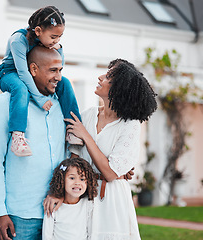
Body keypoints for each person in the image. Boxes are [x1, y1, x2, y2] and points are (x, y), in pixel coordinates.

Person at [49, 59, 157, 239]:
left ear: (119, 89)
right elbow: (73, 158)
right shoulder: (88, 115)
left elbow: (110, 173)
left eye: (107, 77)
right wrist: (60, 192)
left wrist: (86, 135)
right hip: (82, 194)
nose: (100, 77)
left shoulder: (129, 125)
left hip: (111, 200)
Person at [0, 46, 67, 240]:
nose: (58, 77)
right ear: (33, 69)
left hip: (59, 211)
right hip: (19, 216)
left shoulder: (61, 104)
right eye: (53, 70)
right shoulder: (6, 103)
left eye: (60, 70)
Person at [0, 6, 82, 157]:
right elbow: (23, 72)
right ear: (38, 31)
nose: (55, 40)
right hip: (10, 73)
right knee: (21, 88)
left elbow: (57, 62)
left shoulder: (45, 40)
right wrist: (39, 98)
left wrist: (59, 48)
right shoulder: (18, 40)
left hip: (31, 73)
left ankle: (74, 129)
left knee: (66, 83)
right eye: (53, 37)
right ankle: (18, 136)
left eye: (59, 37)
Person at [42, 157, 98, 240]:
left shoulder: (88, 204)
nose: (77, 183)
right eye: (72, 178)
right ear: (62, 180)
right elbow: (47, 235)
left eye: (82, 179)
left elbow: (91, 233)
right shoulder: (53, 206)